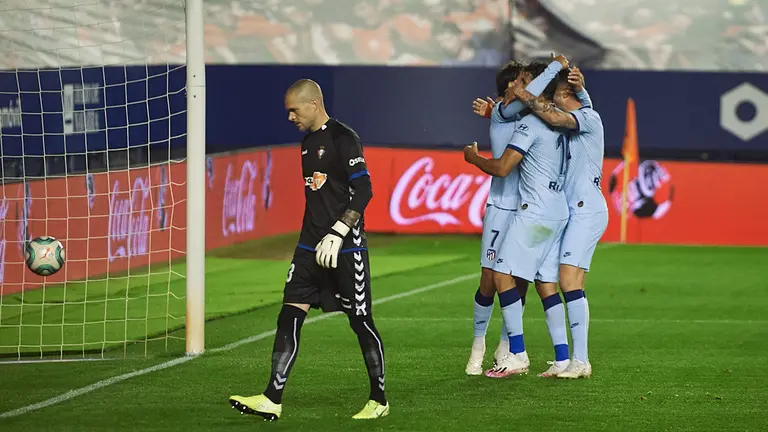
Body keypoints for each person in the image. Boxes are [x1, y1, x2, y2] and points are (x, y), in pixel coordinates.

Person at [228, 79, 389, 420]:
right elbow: (318, 197)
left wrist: (339, 231)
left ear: (313, 104)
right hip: (309, 247)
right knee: (289, 313)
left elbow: (364, 190)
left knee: (360, 321)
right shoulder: (306, 144)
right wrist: (315, 237)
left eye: (293, 110)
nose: (290, 117)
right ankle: (272, 397)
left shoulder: (343, 138)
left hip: (346, 249)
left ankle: (379, 399)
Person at [463, 66, 570, 378]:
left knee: (518, 281)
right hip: (504, 206)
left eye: (529, 84)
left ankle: (509, 348)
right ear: (508, 90)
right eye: (521, 84)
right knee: (490, 279)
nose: (525, 89)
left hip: (529, 208)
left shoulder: (536, 118)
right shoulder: (505, 111)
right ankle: (478, 346)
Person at [510, 67, 607, 379]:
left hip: (586, 210)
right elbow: (554, 113)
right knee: (547, 279)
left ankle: (582, 361)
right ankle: (565, 360)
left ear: (565, 95)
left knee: (569, 281)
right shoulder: (578, 116)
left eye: (553, 97)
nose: (549, 103)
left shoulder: (589, 119)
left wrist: (522, 93)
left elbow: (553, 116)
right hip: (567, 211)